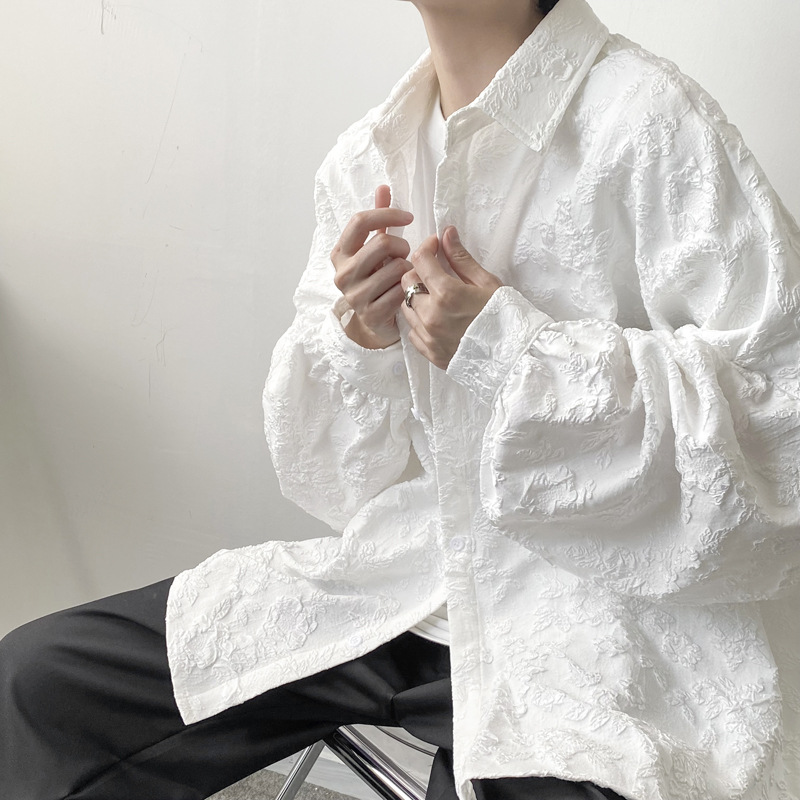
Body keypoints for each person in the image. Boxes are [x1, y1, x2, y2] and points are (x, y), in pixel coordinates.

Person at [1, 0, 798, 798]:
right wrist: (361, 340)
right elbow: (334, 485)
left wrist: (509, 351)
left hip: (606, 626)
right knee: (37, 685)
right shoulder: (368, 157)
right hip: (407, 584)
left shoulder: (649, 117)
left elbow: (782, 427)